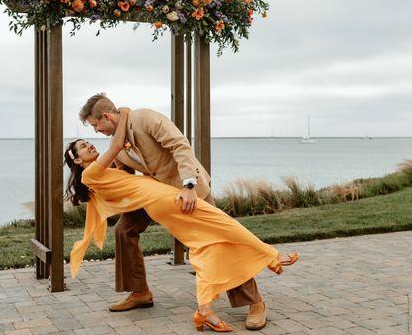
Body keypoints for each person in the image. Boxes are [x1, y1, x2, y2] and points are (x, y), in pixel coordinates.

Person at [66, 108, 299, 332]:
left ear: (106, 116)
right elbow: (119, 177)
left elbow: (180, 145)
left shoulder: (145, 118)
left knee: (218, 240)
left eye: (96, 125)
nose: (95, 132)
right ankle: (140, 293)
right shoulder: (119, 149)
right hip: (155, 194)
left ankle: (254, 302)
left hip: (185, 188)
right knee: (123, 230)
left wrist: (189, 184)